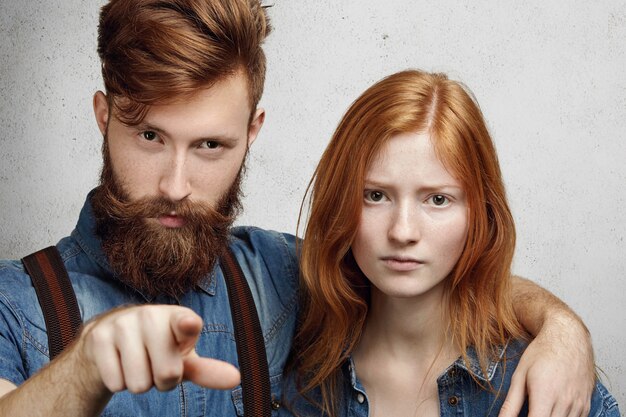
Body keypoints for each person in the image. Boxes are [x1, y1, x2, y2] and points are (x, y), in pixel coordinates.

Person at [0, 1, 600, 416]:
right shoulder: (14, 306)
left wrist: (561, 329)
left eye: (211, 145)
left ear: (253, 132)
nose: (176, 184)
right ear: (104, 117)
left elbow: (435, 277)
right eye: (150, 137)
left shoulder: (280, 277)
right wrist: (84, 371)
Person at [283, 69, 620, 417]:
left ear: (480, 213)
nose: (403, 231)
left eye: (438, 200)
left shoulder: (548, 384)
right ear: (339, 201)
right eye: (376, 195)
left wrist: (565, 330)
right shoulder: (288, 375)